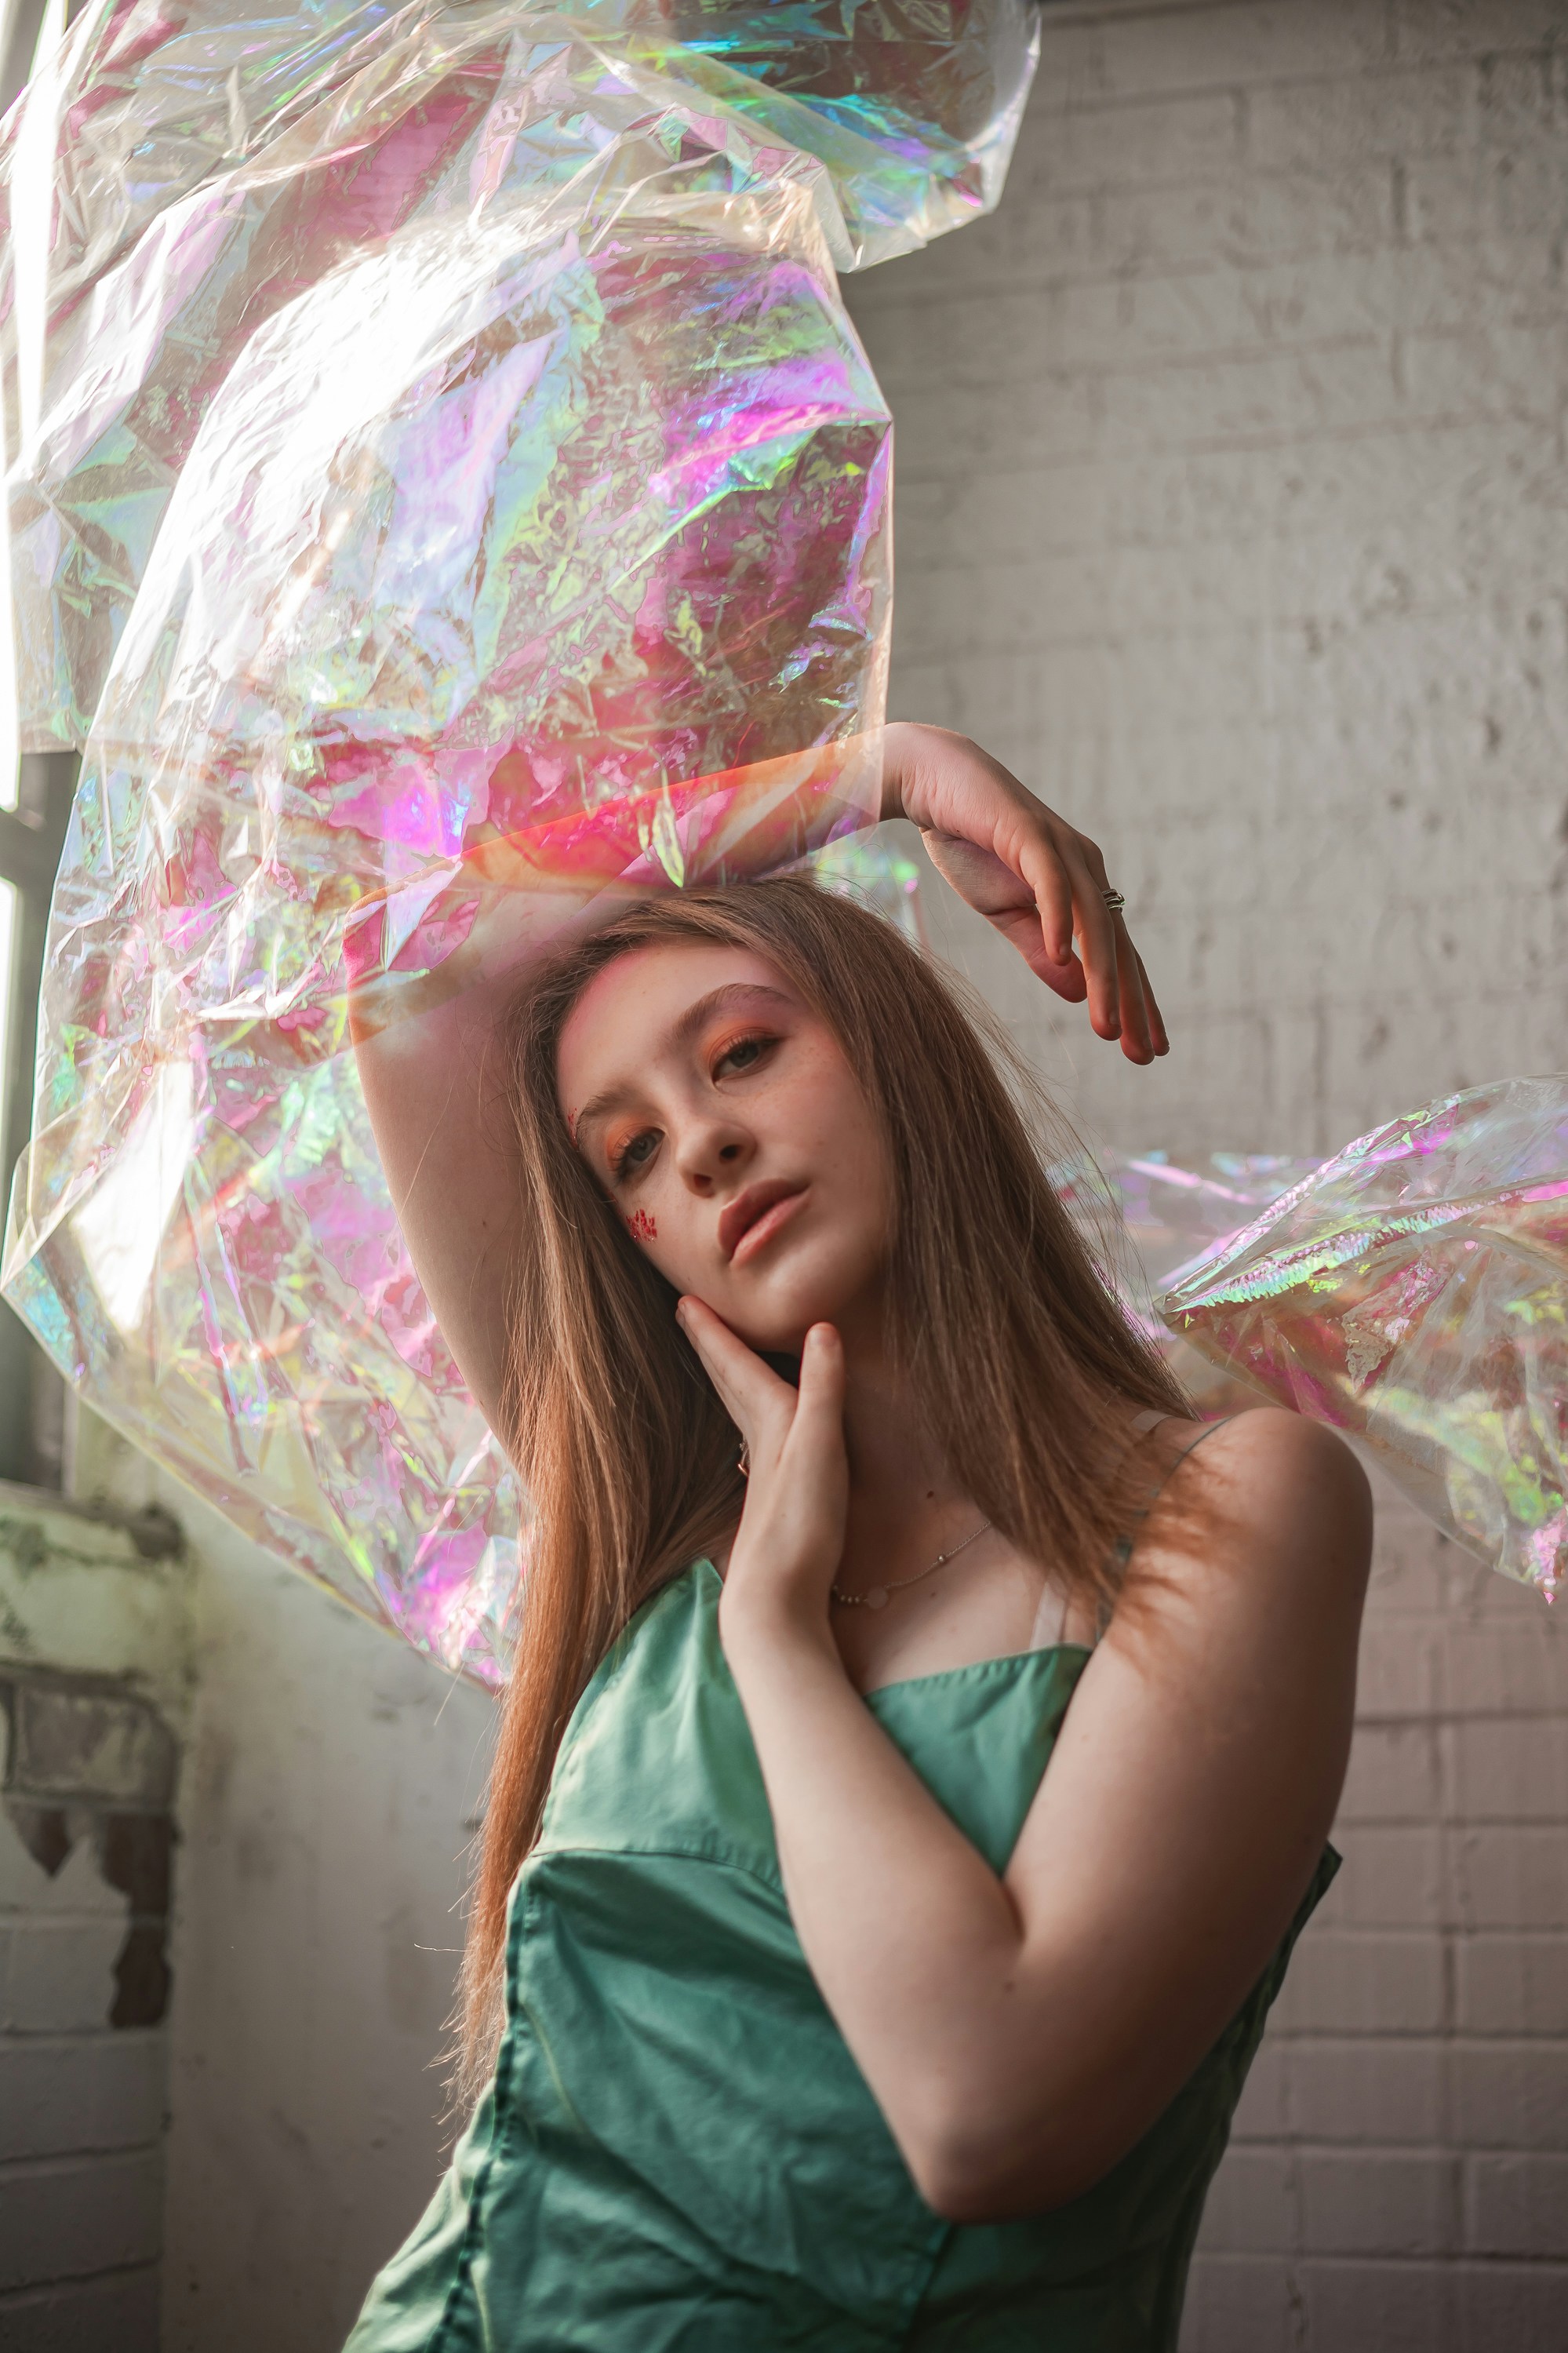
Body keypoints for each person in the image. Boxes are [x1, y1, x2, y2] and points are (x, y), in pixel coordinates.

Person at [345, 723, 1372, 2351]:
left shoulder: (1238, 1502)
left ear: (895, 1056)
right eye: (630, 1152)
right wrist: (877, 774)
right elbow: (412, 973)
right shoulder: (654, 1530)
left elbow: (987, 2114)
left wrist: (776, 1638)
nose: (698, 1142)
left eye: (742, 1053)